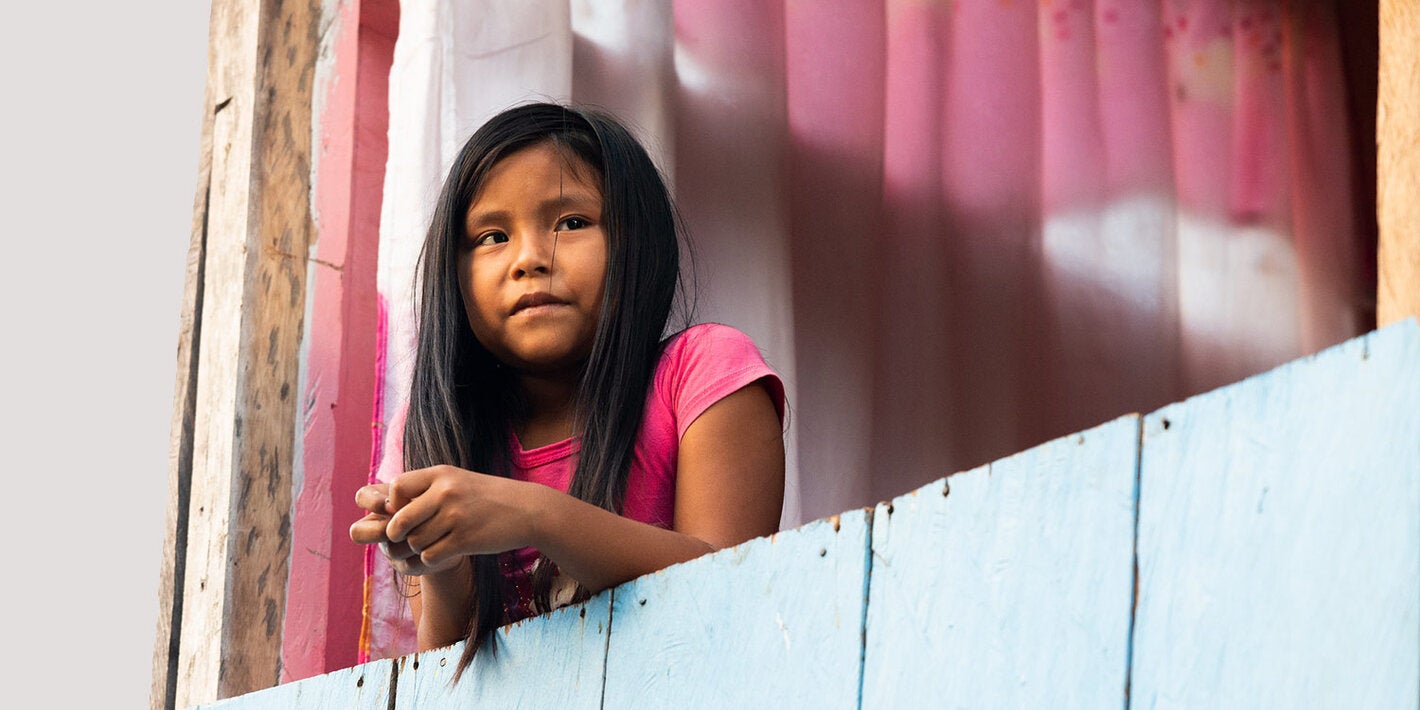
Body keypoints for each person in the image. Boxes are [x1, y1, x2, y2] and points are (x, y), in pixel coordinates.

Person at [348, 102, 786, 675]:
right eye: (492, 236)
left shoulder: (702, 372)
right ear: (452, 276)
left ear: (637, 243)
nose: (529, 259)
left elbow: (731, 587)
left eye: (571, 223)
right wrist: (441, 560)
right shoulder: (438, 425)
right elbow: (447, 674)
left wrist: (533, 515)